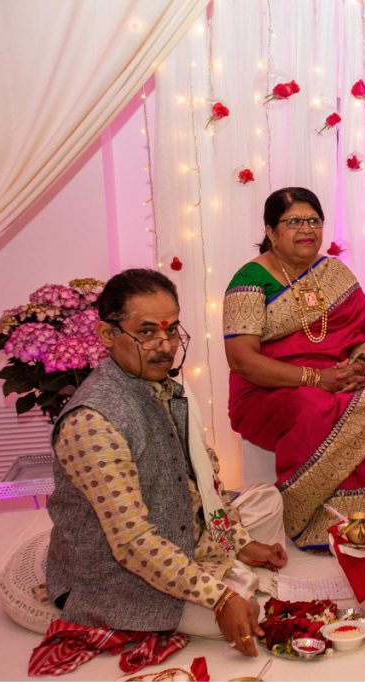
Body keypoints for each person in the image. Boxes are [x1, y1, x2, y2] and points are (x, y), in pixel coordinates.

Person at [45, 269, 287, 657]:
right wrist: (220, 599)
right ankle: (224, 584)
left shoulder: (167, 387)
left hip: (178, 533)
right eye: (146, 333)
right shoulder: (92, 422)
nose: (165, 346)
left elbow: (201, 484)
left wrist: (237, 542)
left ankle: (226, 565)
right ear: (108, 335)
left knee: (269, 500)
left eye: (171, 330)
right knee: (249, 606)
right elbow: (132, 543)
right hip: (117, 571)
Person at [225, 187, 365, 550]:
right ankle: (321, 519)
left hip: (338, 379)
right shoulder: (250, 280)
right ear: (271, 231)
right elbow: (242, 360)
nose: (307, 230)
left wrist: (360, 366)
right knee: (316, 406)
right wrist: (318, 378)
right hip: (268, 391)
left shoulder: (333, 273)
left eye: (314, 221)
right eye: (294, 222)